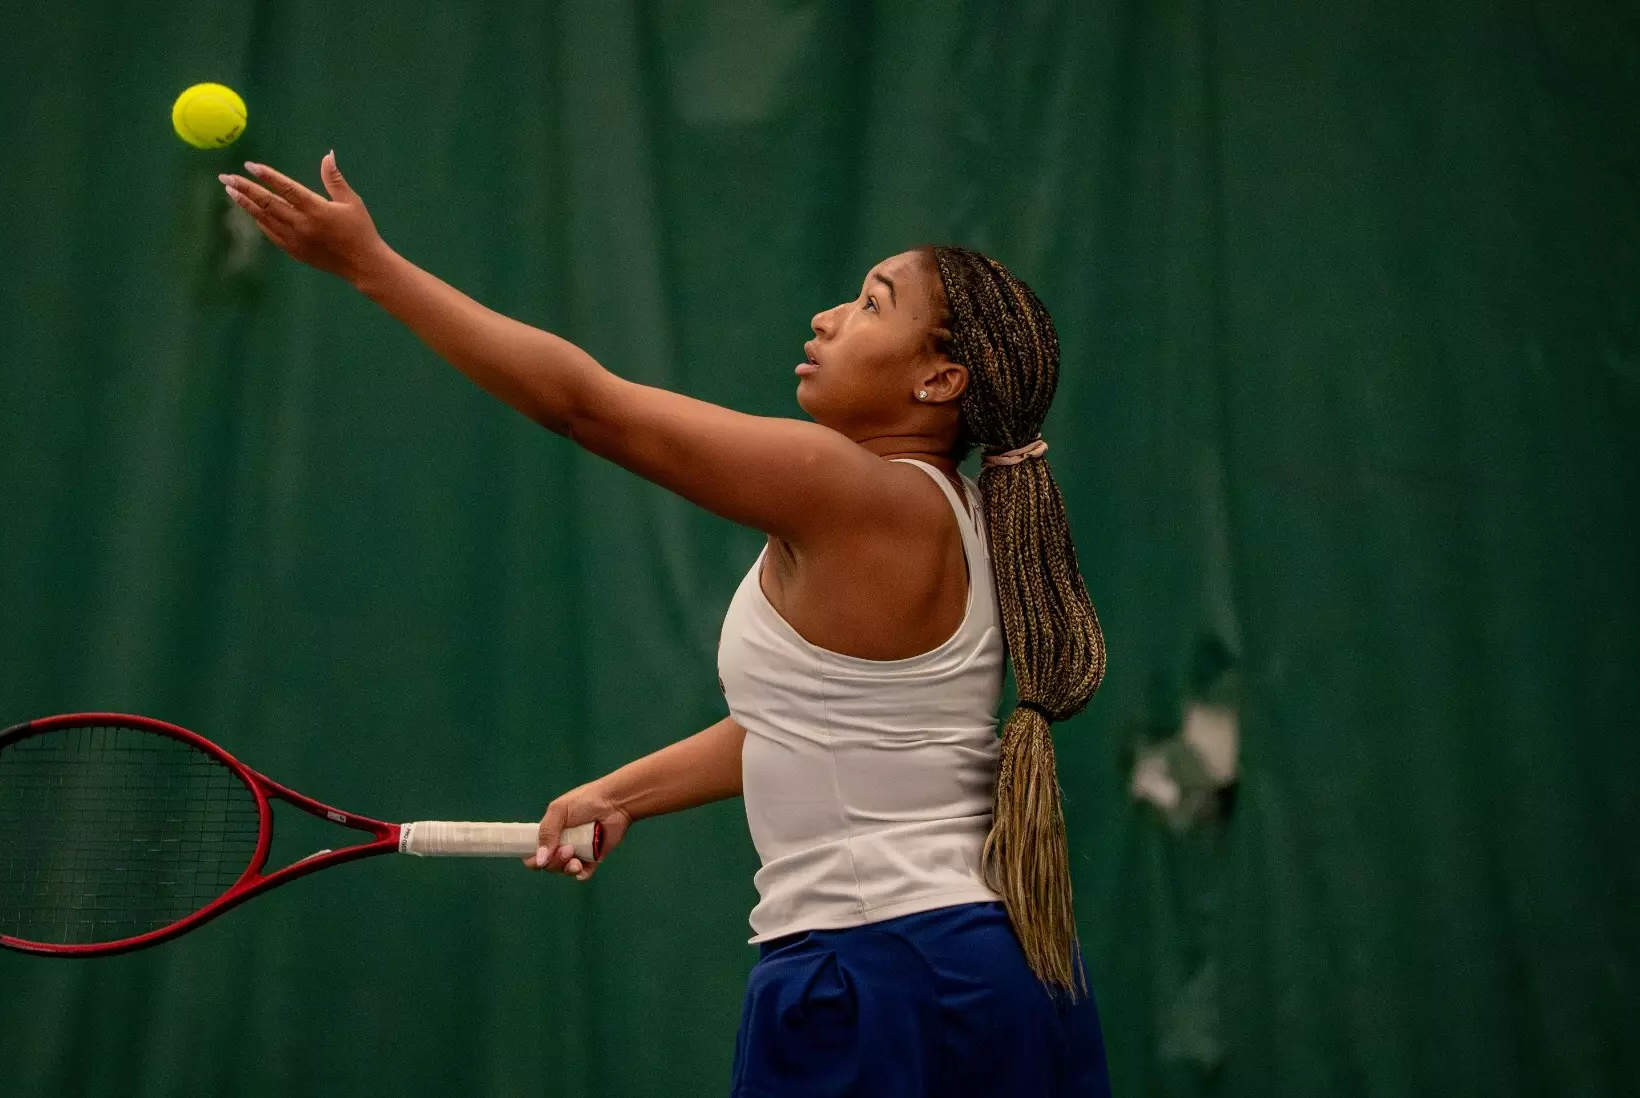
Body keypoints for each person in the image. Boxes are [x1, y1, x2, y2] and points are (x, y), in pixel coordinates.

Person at [223, 154, 1111, 1097]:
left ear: (939, 379)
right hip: (997, 973)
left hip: (880, 977)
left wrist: (371, 266)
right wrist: (624, 793)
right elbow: (820, 727)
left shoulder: (853, 491)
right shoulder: (967, 515)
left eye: (870, 305)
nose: (827, 318)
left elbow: (584, 407)